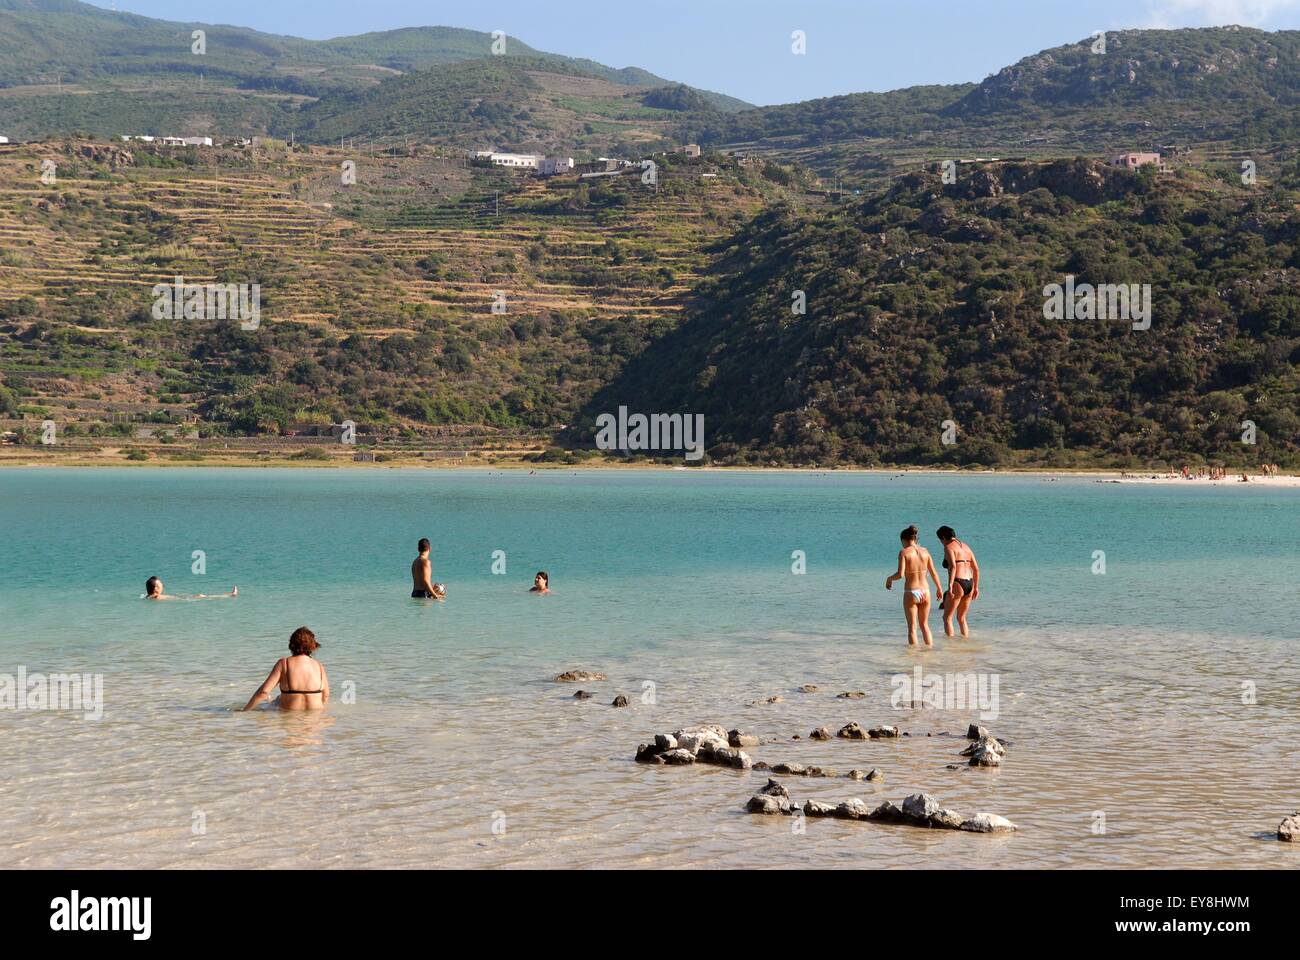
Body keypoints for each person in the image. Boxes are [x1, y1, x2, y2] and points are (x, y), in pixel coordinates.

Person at [242, 626, 329, 711]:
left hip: (291, 722)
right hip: (316, 722)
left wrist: (244, 710)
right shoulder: (319, 666)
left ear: (291, 645)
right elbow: (325, 696)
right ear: (312, 646)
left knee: (271, 701)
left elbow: (263, 692)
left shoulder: (284, 664)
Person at [884, 525, 943, 647]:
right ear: (915, 539)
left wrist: (889, 579)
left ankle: (914, 660)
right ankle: (930, 653)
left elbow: (900, 575)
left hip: (912, 592)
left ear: (903, 540)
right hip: (926, 591)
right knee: (925, 625)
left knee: (912, 628)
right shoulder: (925, 551)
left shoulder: (904, 553)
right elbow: (933, 572)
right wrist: (939, 588)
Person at [936, 526, 980, 638]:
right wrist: (976, 588)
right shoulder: (966, 547)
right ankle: (964, 642)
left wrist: (950, 586)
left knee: (947, 618)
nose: (941, 543)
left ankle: (950, 647)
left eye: (940, 540)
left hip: (958, 582)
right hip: (970, 583)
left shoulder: (948, 547)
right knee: (961, 618)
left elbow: (953, 567)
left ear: (944, 538)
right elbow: (976, 568)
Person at [144, 576, 236, 600]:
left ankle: (229, 595)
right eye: (161, 585)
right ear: (156, 588)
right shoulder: (157, 597)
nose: (162, 586)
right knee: (203, 596)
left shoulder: (146, 596)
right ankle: (230, 595)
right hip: (185, 599)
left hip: (183, 598)